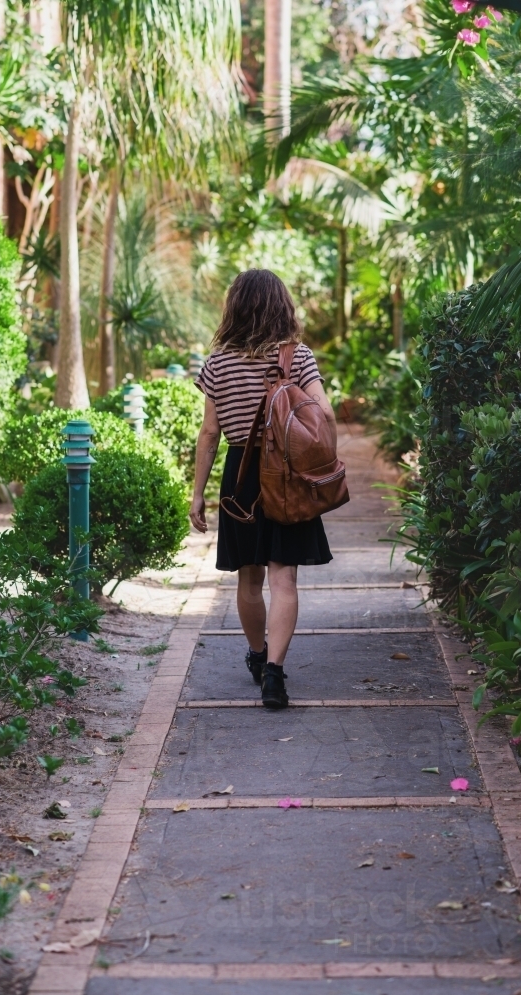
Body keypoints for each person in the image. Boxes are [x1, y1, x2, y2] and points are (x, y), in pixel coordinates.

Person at [189, 269, 336, 710]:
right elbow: (324, 415)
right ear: (281, 305)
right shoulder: (298, 356)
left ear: (234, 306)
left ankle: (256, 656)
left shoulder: (217, 363)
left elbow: (210, 433)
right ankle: (275, 674)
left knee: (248, 577)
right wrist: (319, 461)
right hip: (287, 472)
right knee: (284, 576)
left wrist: (198, 494)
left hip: (241, 474)